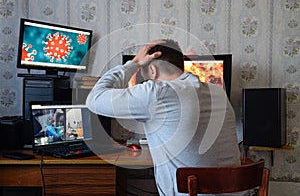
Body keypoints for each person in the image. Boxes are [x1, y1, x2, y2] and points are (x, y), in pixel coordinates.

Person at [86, 39, 245, 196]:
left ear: (153, 70)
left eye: (144, 76)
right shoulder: (217, 92)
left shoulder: (156, 92)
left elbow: (94, 100)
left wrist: (133, 63)